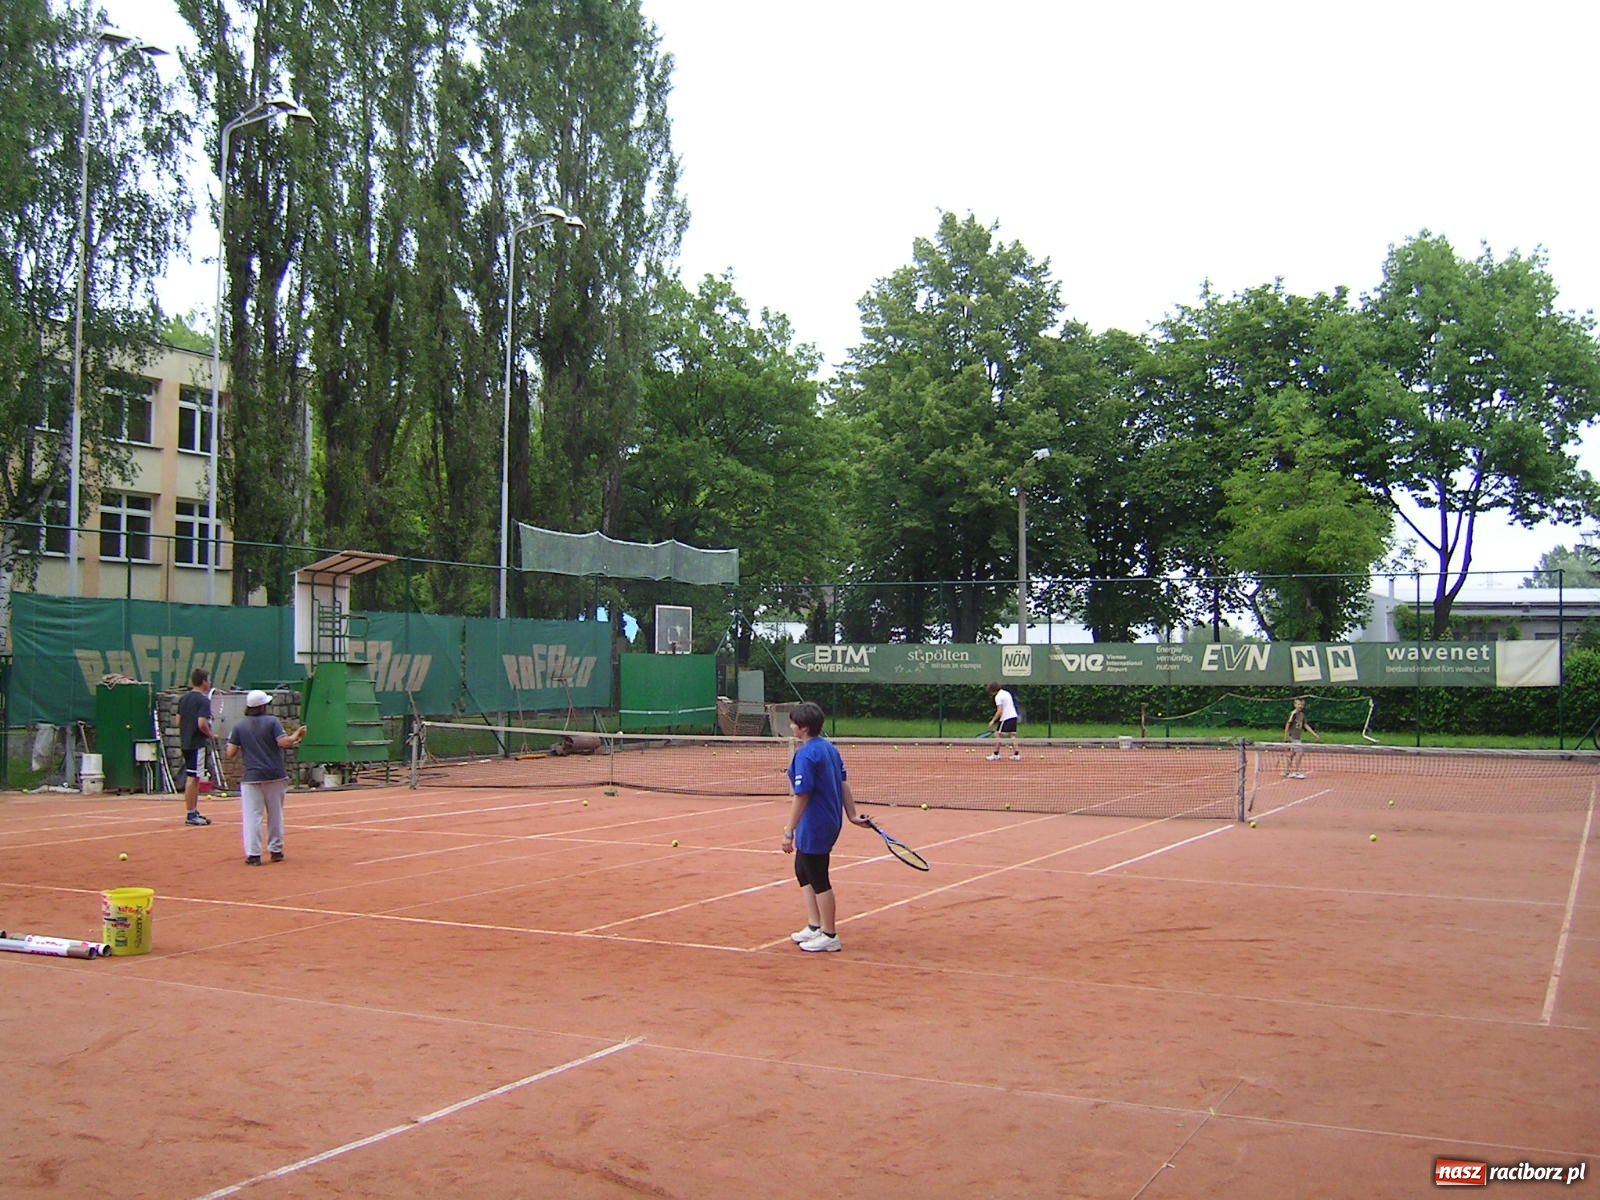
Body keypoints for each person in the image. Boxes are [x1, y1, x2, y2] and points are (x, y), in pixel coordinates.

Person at [782, 701, 870, 953]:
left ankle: (830, 934)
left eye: (793, 723)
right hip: (826, 820)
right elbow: (843, 782)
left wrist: (789, 830)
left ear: (803, 728)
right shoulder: (829, 748)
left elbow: (802, 795)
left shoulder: (807, 754)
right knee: (803, 869)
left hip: (816, 822)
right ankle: (814, 925)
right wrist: (851, 815)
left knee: (818, 876)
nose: (790, 726)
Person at [226, 690, 308, 865]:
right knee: (275, 814)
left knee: (252, 816)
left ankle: (253, 854)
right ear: (264, 706)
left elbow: (230, 752)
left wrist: (247, 746)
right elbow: (283, 742)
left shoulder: (239, 726)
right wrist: (296, 735)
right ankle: (276, 850)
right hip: (274, 774)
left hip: (252, 776)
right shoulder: (272, 722)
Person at [177, 668, 215, 826]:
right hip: (196, 743)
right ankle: (191, 813)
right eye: (209, 679)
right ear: (204, 681)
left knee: (194, 777)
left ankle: (193, 810)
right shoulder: (203, 700)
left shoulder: (183, 699)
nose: (210, 682)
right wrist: (211, 734)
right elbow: (202, 723)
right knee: (193, 778)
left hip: (185, 742)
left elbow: (178, 722)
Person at [1283, 697, 1320, 779]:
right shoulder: (1293, 713)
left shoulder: (1302, 715)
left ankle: (1286, 770)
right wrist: (1286, 736)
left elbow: (1305, 725)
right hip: (1292, 737)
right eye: (1299, 704)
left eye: (1302, 704)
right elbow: (1288, 724)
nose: (1300, 706)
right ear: (1295, 705)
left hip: (1298, 737)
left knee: (1292, 754)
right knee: (1300, 753)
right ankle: (1296, 771)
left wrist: (1314, 734)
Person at [985, 682, 1021, 761]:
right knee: (1012, 735)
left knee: (997, 734)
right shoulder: (1006, 693)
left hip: (1006, 718)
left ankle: (995, 754)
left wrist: (993, 721)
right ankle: (1016, 755)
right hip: (1014, 716)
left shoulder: (998, 697)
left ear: (992, 690)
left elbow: (999, 711)